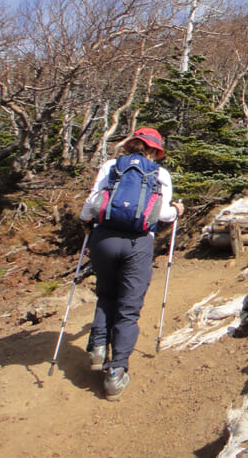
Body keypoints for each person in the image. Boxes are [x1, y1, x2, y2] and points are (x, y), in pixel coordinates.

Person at [80, 127, 184, 401]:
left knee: (105, 293)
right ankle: (115, 374)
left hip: (104, 238)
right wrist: (177, 211)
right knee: (128, 307)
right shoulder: (159, 174)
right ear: (154, 149)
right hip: (138, 243)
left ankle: (98, 348)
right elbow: (162, 214)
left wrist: (87, 222)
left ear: (131, 146)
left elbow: (91, 203)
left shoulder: (111, 166)